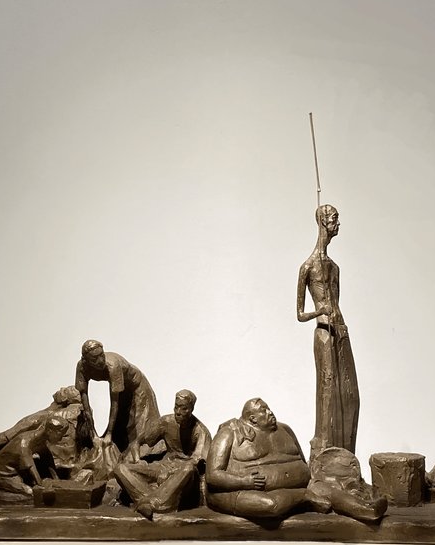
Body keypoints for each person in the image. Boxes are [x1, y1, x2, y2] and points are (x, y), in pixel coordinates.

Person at [205, 398, 384, 522]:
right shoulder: (229, 434)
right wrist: (245, 481)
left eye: (269, 408)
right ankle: (303, 498)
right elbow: (213, 476)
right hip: (243, 491)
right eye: (264, 411)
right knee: (270, 505)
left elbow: (302, 462)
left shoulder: (284, 429)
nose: (270, 412)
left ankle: (369, 510)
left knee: (332, 493)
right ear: (253, 419)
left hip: (301, 485)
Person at [296, 204, 359, 456]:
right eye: (334, 219)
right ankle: (324, 452)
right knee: (328, 393)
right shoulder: (308, 267)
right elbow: (300, 314)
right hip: (323, 332)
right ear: (323, 221)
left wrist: (337, 322)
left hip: (341, 331)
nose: (338, 223)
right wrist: (319, 312)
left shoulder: (334, 267)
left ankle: (346, 455)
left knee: (350, 395)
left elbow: (337, 303)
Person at [113, 389, 211, 518]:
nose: (178, 412)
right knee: (120, 468)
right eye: (176, 407)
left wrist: (172, 473)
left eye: (184, 409)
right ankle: (148, 500)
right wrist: (138, 461)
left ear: (191, 409)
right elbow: (137, 442)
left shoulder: (201, 431)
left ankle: (155, 503)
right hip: (162, 467)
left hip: (182, 474)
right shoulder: (165, 422)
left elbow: (195, 461)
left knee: (189, 469)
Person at [74, 339, 163, 458]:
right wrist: (93, 434)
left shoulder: (112, 366)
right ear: (86, 360)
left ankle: (141, 457)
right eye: (95, 359)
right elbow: (84, 400)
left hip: (137, 387)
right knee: (121, 427)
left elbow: (114, 403)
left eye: (101, 355)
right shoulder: (81, 367)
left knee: (140, 428)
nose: (101, 361)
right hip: (122, 389)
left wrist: (109, 434)